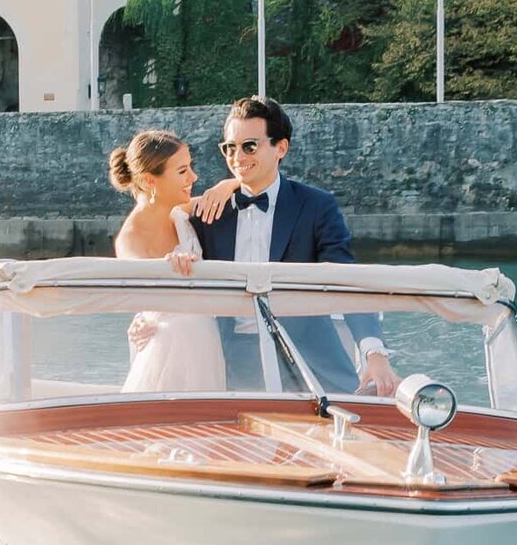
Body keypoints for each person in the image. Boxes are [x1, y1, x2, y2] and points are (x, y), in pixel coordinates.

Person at [189, 96, 396, 397]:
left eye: (249, 146)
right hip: (235, 359)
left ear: (280, 148)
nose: (237, 157)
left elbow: (346, 278)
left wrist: (373, 352)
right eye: (229, 148)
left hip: (311, 357)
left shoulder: (316, 206)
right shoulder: (210, 211)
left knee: (357, 424)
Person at [110, 129, 238, 393]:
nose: (194, 177)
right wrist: (143, 317)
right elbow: (145, 298)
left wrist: (228, 184)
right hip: (167, 351)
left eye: (190, 167)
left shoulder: (179, 211)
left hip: (204, 343)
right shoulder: (130, 239)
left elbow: (227, 194)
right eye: (182, 171)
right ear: (149, 181)